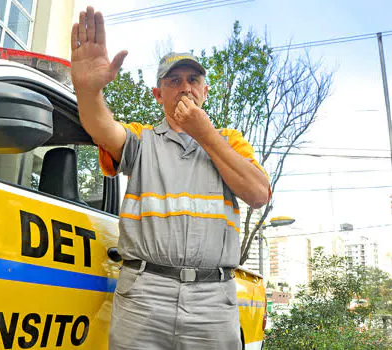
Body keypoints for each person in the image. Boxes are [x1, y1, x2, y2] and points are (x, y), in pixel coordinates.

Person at [71, 6, 271, 350]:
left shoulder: (229, 142)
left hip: (213, 297)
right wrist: (87, 91)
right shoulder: (142, 139)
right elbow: (100, 127)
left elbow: (257, 194)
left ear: (205, 92)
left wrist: (205, 133)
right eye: (173, 81)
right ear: (157, 94)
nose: (185, 88)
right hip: (144, 292)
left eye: (193, 80)